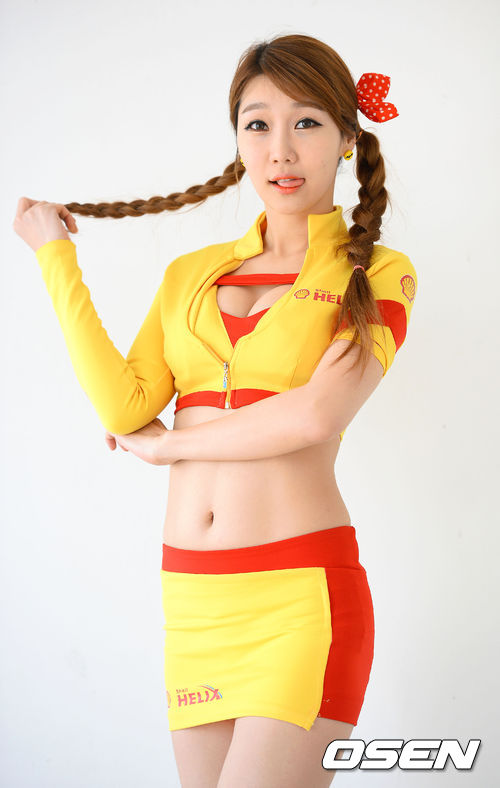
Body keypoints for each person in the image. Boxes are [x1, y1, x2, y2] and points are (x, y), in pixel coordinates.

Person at [14, 33, 417, 788]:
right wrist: (54, 258)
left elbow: (314, 417)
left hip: (300, 597)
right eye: (257, 124)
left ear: (346, 137)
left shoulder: (378, 274)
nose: (280, 150)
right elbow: (124, 404)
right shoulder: (190, 275)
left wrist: (173, 447)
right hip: (193, 599)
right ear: (238, 140)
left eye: (306, 122)